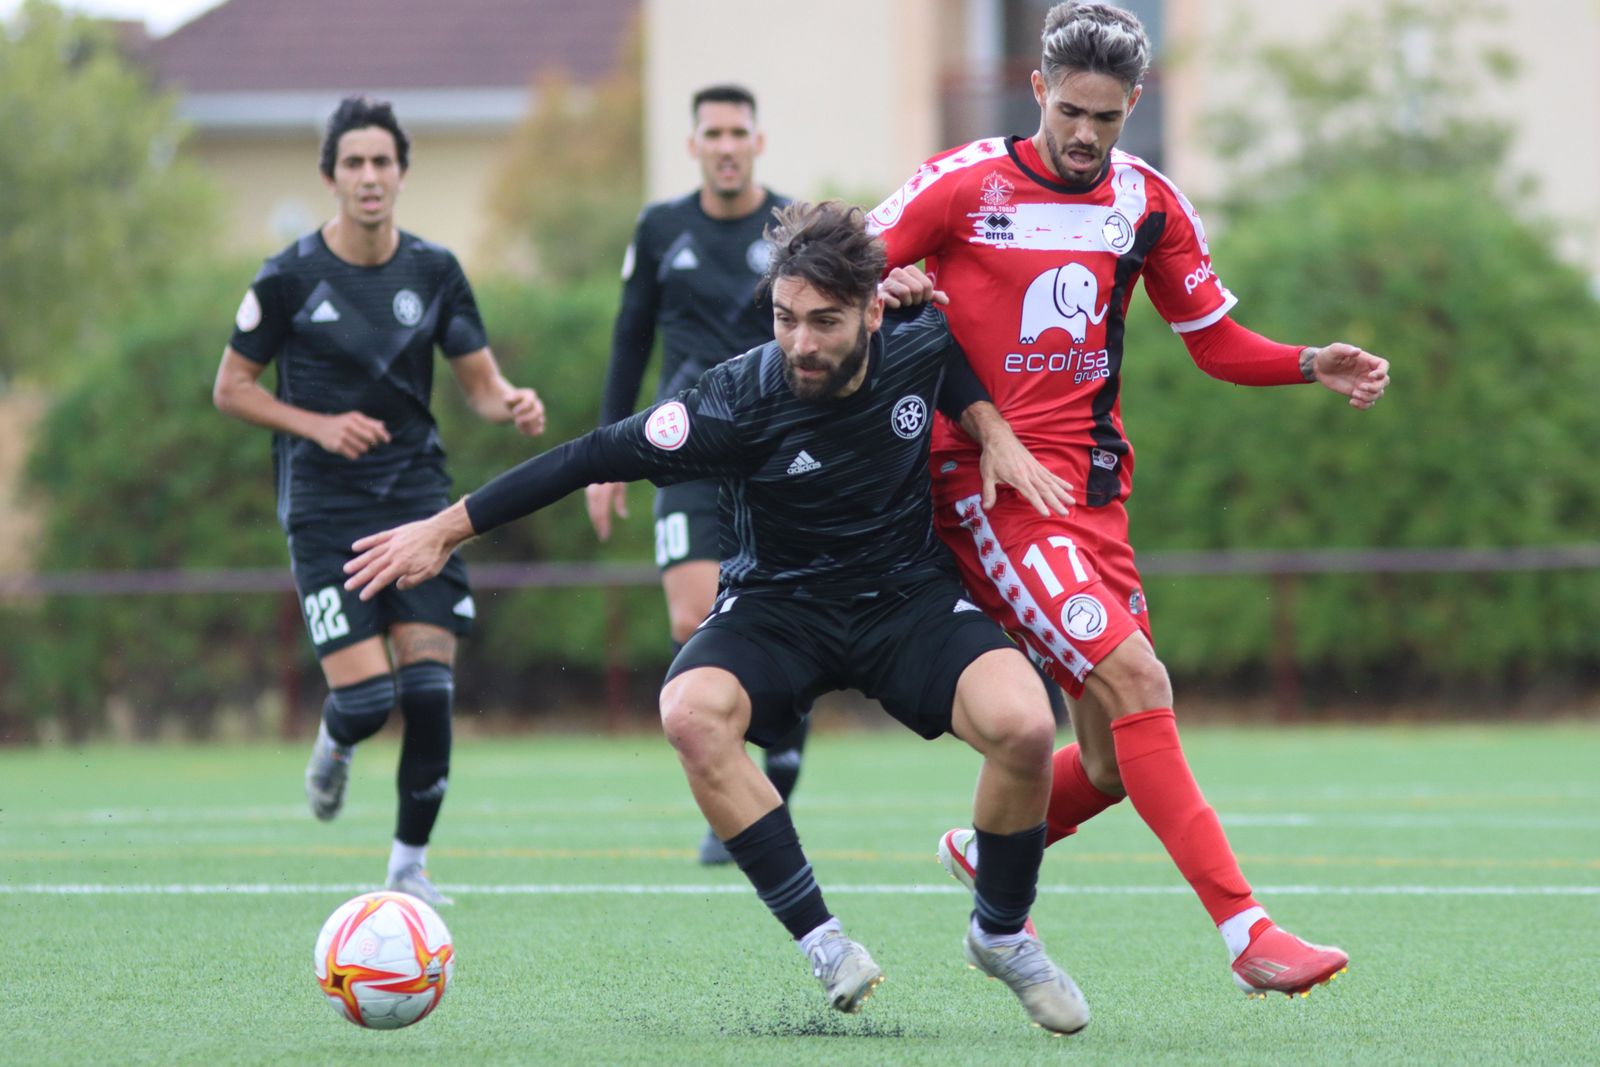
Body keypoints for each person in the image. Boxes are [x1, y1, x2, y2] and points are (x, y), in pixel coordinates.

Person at [342, 202, 1092, 1034]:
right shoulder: (732, 402)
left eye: (824, 322)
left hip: (904, 598)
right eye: (784, 317)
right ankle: (824, 940)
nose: (800, 342)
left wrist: (989, 427)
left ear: (875, 310)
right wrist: (445, 529)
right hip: (779, 606)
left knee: (1025, 724)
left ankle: (1000, 932)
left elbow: (948, 353)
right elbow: (586, 455)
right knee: (689, 712)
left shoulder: (914, 333)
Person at [869, 1, 1389, 997]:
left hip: (1095, 499)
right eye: (1068, 110)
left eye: (1104, 118)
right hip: (985, 489)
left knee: (1110, 759)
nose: (1082, 135)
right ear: (1036, 90)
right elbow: (833, 268)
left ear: (1132, 107)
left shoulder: (1146, 202)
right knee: (1140, 681)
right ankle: (1248, 933)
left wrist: (1307, 360)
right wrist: (884, 293)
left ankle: (991, 849)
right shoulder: (960, 185)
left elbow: (1211, 342)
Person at [212, 95, 547, 907]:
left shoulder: (434, 271)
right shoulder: (289, 276)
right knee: (367, 700)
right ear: (331, 177)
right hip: (326, 512)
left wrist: (511, 400)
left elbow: (477, 382)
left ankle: (408, 867)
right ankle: (335, 739)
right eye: (353, 163)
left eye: (382, 162)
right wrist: (317, 427)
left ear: (401, 174)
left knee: (429, 691)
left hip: (418, 503)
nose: (369, 177)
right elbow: (231, 388)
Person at [585, 85, 808, 866]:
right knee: (693, 617)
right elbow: (628, 338)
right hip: (683, 442)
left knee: (779, 607)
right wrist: (604, 460)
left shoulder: (790, 226)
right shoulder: (659, 228)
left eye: (737, 132)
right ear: (693, 146)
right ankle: (737, 776)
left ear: (758, 140)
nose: (724, 145)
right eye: (711, 132)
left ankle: (779, 755)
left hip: (771, 447)